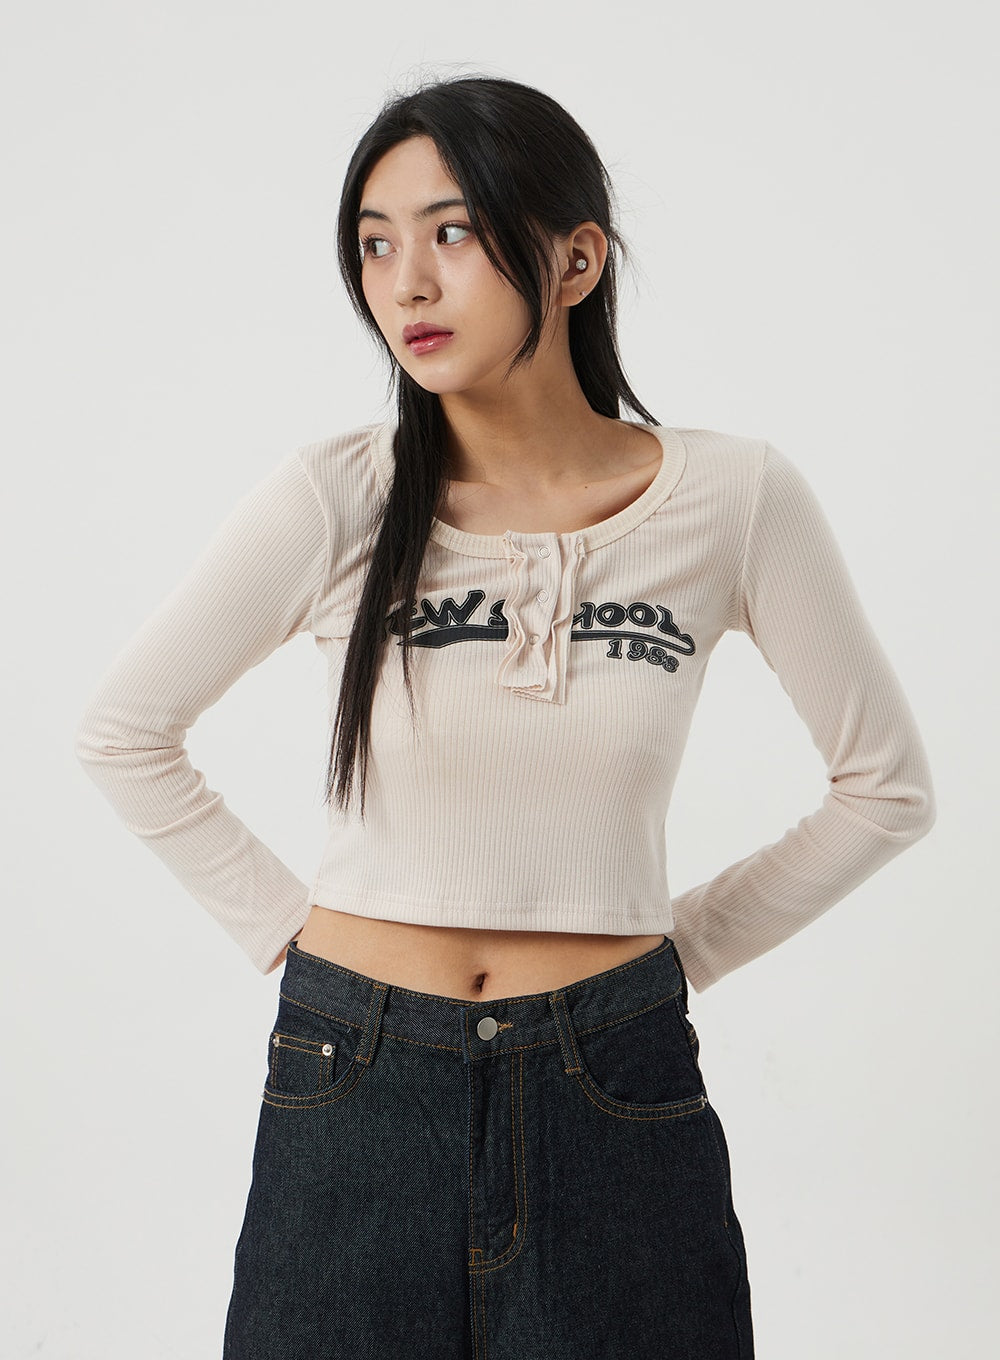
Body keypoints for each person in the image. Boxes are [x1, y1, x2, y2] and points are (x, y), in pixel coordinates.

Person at [75, 74, 935, 1359]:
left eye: (453, 232)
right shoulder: (339, 496)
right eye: (374, 244)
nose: (407, 283)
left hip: (615, 1089)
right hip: (353, 1082)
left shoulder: (736, 498)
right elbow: (124, 732)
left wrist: (674, 955)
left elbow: (885, 789)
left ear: (576, 259)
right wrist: (293, 939)